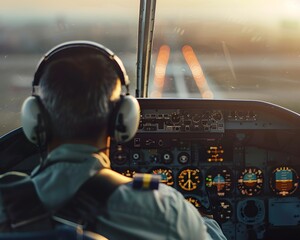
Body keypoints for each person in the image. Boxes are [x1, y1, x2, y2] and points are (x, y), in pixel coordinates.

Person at [19, 41, 227, 240]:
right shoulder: (166, 211)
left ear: (36, 120)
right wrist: (202, 223)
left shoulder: (5, 206)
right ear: (122, 119)